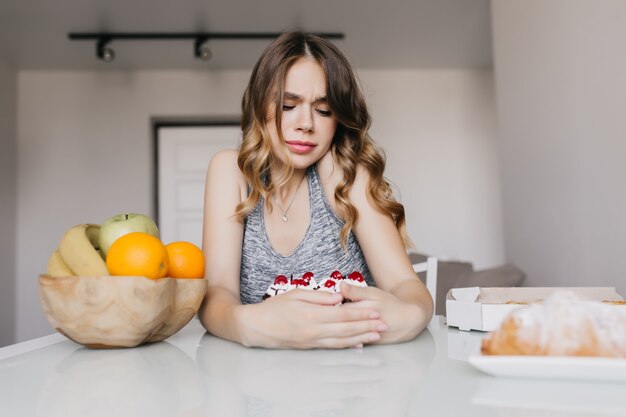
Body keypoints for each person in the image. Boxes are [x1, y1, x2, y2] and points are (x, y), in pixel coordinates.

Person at [199, 32, 433, 349]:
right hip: (261, 381)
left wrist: (406, 317)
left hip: (358, 379)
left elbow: (408, 288)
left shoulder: (346, 173)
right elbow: (216, 296)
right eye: (288, 105)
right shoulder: (230, 172)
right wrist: (251, 325)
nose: (306, 123)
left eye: (323, 110)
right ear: (259, 107)